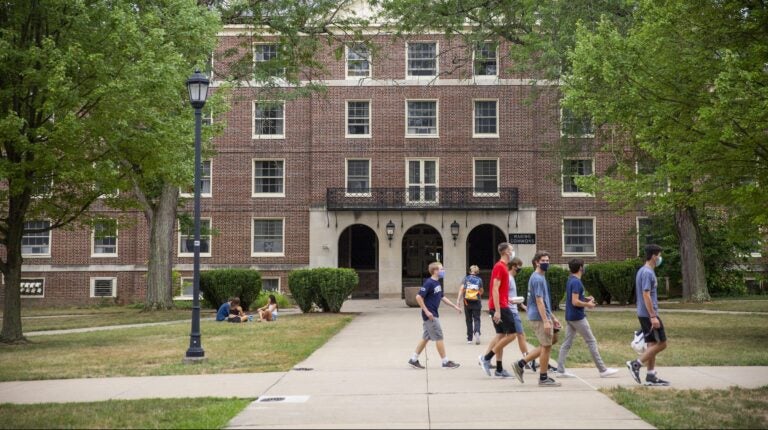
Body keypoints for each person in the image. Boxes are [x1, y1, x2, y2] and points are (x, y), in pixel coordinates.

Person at [555, 258, 619, 378]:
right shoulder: (576, 282)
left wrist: (585, 298)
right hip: (577, 317)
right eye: (583, 266)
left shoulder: (571, 280)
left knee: (567, 343)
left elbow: (574, 298)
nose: (583, 268)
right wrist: (588, 304)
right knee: (591, 341)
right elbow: (574, 302)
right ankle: (602, 370)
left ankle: (560, 370)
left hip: (570, 316)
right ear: (580, 268)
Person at [512, 250, 562, 387]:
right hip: (539, 317)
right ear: (536, 262)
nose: (546, 263)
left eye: (547, 261)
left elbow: (544, 302)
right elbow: (539, 301)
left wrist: (553, 317)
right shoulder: (538, 278)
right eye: (543, 261)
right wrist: (546, 320)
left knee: (550, 341)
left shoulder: (539, 276)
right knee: (546, 346)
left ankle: (521, 363)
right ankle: (543, 378)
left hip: (542, 315)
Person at [627, 244, 670, 386]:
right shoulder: (647, 273)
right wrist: (653, 316)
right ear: (653, 256)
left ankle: (651, 376)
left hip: (644, 313)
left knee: (652, 344)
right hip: (648, 314)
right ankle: (635, 364)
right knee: (662, 343)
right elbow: (646, 295)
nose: (660, 258)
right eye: (659, 255)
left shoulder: (643, 271)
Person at [408, 262, 462, 370]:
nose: (443, 271)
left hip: (433, 313)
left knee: (426, 337)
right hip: (430, 314)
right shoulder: (429, 283)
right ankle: (445, 362)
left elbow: (442, 297)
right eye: (441, 269)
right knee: (439, 336)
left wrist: (454, 306)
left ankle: (413, 359)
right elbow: (419, 297)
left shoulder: (437, 283)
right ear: (435, 271)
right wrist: (427, 311)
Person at [478, 242, 519, 378]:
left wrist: (508, 300)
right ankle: (487, 358)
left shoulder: (503, 267)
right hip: (500, 307)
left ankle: (499, 369)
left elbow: (500, 290)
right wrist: (497, 310)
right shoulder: (499, 267)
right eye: (511, 249)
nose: (513, 251)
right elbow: (495, 289)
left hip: (502, 304)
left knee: (501, 336)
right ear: (506, 251)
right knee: (512, 334)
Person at [456, 265, 484, 344]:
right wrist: (477, 294)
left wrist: (458, 300)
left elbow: (462, 289)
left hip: (467, 302)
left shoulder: (466, 279)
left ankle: (469, 338)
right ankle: (477, 332)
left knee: (468, 320)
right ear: (477, 272)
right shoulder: (479, 280)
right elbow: (481, 291)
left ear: (469, 271)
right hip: (476, 302)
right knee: (477, 319)